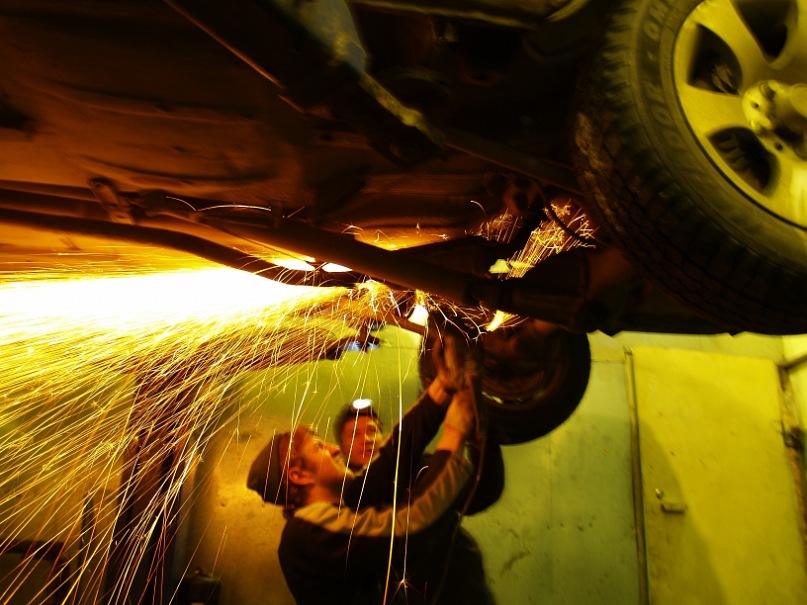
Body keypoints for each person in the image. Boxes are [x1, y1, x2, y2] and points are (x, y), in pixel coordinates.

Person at [247, 348, 480, 605]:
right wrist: (455, 431)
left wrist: (443, 385)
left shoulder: (344, 507)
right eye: (319, 447)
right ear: (299, 475)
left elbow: (394, 454)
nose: (334, 449)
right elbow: (408, 527)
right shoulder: (306, 535)